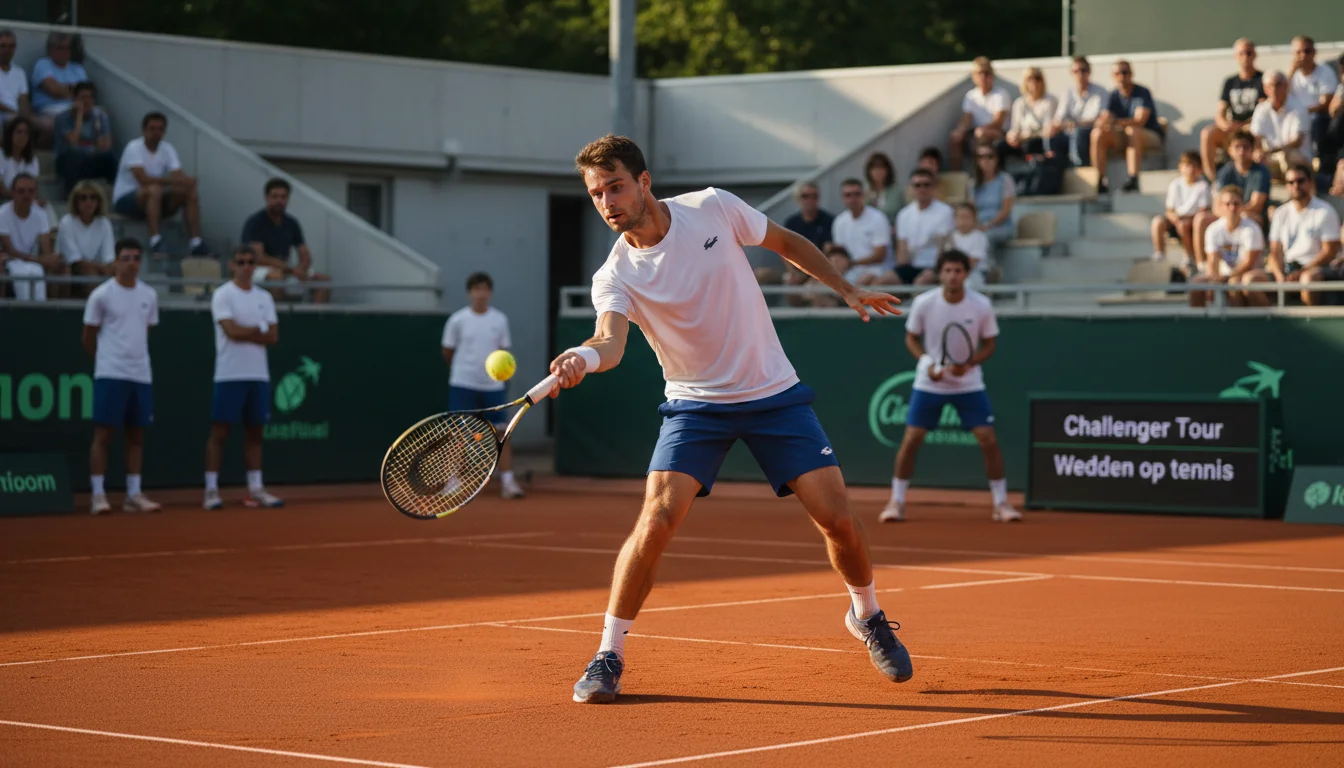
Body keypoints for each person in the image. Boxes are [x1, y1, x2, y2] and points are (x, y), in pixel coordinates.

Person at [557, 134, 907, 705]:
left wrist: (844, 287)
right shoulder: (615, 274)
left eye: (615, 186)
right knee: (657, 520)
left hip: (774, 391)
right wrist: (584, 358)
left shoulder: (712, 207)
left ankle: (866, 613)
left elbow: (786, 241)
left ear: (643, 182)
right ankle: (608, 654)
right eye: (597, 194)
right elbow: (609, 342)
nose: (607, 202)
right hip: (696, 405)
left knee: (837, 519)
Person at [880, 249, 1020, 524]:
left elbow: (990, 344)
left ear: (966, 274)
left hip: (968, 383)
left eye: (958, 271)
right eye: (947, 270)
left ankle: (1001, 503)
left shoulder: (981, 305)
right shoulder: (923, 302)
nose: (952, 276)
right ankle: (896, 501)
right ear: (939, 273)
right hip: (929, 383)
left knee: (988, 438)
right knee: (912, 439)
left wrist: (969, 363)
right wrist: (927, 363)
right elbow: (912, 338)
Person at [82, 237, 162, 515]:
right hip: (110, 373)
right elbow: (88, 337)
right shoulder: (101, 295)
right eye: (125, 258)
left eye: (136, 258)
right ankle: (98, 494)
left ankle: (133, 494)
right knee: (103, 434)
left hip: (141, 375)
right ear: (116, 261)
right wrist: (107, 362)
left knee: (136, 436)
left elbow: (145, 332)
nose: (131, 264)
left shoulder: (149, 295)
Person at [203, 246, 284, 510]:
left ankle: (255, 489)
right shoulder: (222, 295)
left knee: (255, 434)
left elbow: (273, 337)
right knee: (220, 433)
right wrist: (259, 328)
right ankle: (211, 490)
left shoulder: (265, 297)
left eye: (251, 262)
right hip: (229, 375)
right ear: (232, 265)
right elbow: (231, 331)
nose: (246, 266)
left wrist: (251, 331)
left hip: (258, 375)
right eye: (241, 262)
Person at [441, 271, 524, 499]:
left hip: (493, 386)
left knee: (502, 433)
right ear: (470, 292)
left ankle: (508, 482)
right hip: (463, 383)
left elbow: (504, 352)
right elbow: (447, 351)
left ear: (490, 292)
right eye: (476, 289)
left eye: (485, 289)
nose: (481, 293)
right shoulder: (457, 320)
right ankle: (453, 481)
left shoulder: (499, 320)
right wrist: (465, 371)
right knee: (458, 434)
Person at [112, 111, 208, 256]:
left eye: (160, 129)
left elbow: (178, 175)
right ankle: (155, 240)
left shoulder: (167, 148)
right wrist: (174, 181)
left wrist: (186, 182)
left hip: (153, 199)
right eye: (152, 129)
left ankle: (196, 242)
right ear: (144, 130)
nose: (156, 132)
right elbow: (143, 180)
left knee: (189, 191)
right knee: (154, 190)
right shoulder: (133, 147)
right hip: (126, 199)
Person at [242, 177, 331, 303]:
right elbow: (258, 257)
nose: (279, 201)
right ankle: (276, 320)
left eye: (283, 197)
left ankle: (318, 319)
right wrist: (290, 269)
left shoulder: (292, 223)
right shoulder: (255, 222)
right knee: (277, 278)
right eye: (275, 196)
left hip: (286, 269)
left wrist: (302, 268)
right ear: (266, 198)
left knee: (323, 280)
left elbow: (304, 252)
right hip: (258, 270)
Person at [1267, 164, 1341, 307]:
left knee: (1307, 279)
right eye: (1291, 182)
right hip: (1288, 269)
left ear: (1310, 182)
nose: (1296, 185)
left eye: (1300, 181)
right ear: (1286, 186)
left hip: (1318, 268)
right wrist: (1280, 276)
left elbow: (1329, 252)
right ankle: (1270, 325)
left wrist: (1302, 271)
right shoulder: (1280, 213)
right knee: (1250, 281)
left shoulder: (1324, 211)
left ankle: (1309, 323)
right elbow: (1275, 251)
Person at [1091, 59, 1164, 194]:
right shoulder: (1113, 96)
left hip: (1150, 136)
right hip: (1124, 136)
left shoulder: (1142, 92)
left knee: (1132, 131)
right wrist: (1104, 123)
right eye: (1117, 73)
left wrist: (1114, 122)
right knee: (1097, 134)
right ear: (1113, 76)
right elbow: (1105, 117)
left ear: (1131, 74)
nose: (1122, 76)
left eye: (1125, 72)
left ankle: (1133, 178)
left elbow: (1139, 121)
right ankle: (1099, 180)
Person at [1199, 38, 1264, 181]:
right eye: (1242, 53)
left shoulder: (1262, 80)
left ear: (1254, 55)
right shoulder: (1230, 82)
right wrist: (1225, 124)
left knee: (1256, 131)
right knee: (1207, 133)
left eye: (1249, 53)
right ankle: (1212, 179)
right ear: (1236, 56)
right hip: (1233, 128)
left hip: (1252, 127)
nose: (1245, 57)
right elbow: (1221, 111)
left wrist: (1245, 125)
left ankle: (1255, 176)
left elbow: (1263, 110)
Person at [1192, 185, 1267, 309]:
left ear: (1242, 206)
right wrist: (1214, 279)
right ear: (1221, 207)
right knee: (1196, 284)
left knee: (1234, 284)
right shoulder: (1213, 229)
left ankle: (1237, 324)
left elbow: (1248, 263)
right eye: (1228, 204)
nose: (1232, 208)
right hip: (1225, 275)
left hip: (1247, 274)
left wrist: (1226, 277)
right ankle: (1197, 325)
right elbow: (1213, 260)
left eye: (1236, 204)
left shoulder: (1252, 228)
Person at [0, 173, 61, 301]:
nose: (26, 195)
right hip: (11, 260)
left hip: (32, 261)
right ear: (13, 193)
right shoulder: (3, 214)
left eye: (30, 191)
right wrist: (39, 260)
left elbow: (46, 249)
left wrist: (49, 258)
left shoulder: (41, 214)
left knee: (37, 272)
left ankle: (39, 311)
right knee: (22, 274)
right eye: (21, 191)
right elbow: (9, 250)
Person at [53, 81, 116, 196]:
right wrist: (79, 116)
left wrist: (97, 131)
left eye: (90, 97)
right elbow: (73, 142)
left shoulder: (100, 116)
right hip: (67, 161)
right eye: (83, 97)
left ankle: (114, 193)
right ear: (75, 99)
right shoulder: (62, 118)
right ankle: (70, 195)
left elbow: (106, 145)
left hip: (91, 158)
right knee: (74, 156)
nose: (87, 101)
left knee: (110, 157)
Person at [1151, 151, 1211, 270]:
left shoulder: (1203, 186)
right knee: (1157, 222)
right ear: (1180, 168)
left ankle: (1189, 257)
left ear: (1200, 169)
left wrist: (1184, 220)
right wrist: (1175, 218)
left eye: (1194, 166)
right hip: (1177, 220)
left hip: (1192, 221)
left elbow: (1203, 210)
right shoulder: (1175, 184)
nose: (1190, 170)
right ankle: (1160, 254)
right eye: (1187, 165)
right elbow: (1169, 210)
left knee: (1183, 225)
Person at [894, 168, 955, 285]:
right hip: (910, 265)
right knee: (883, 281)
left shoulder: (945, 211)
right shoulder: (904, 214)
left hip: (933, 265)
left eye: (926, 185)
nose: (922, 189)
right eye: (917, 185)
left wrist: (937, 270)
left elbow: (943, 247)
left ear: (933, 187)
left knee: (920, 283)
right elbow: (902, 247)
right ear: (911, 188)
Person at [831, 177, 896, 285]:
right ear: (842, 198)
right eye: (848, 195)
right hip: (851, 271)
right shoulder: (839, 222)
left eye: (857, 194)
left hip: (878, 270)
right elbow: (841, 254)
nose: (853, 199)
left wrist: (851, 263)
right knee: (816, 287)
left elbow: (880, 256)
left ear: (864, 195)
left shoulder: (878, 218)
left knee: (860, 283)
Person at [58, 180, 116, 297]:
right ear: (76, 202)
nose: (88, 202)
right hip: (70, 270)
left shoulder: (104, 223)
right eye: (83, 198)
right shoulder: (67, 222)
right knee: (89, 273)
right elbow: (75, 260)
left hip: (98, 270)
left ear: (98, 201)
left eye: (93, 198)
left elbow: (108, 258)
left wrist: (107, 268)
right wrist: (100, 268)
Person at [1049, 56, 1107, 168]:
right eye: (1076, 71)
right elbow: (1059, 118)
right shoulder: (1068, 93)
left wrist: (1075, 124)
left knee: (1078, 133)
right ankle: (1055, 169)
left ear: (1089, 72)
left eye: (1083, 70)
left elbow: (1098, 118)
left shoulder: (1100, 92)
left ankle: (1079, 166)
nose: (1080, 74)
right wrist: (1055, 126)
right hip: (1069, 131)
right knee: (1051, 134)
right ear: (1072, 73)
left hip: (1088, 132)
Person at [947, 202, 991, 289]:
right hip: (954, 271)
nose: (963, 221)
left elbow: (972, 262)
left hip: (976, 272)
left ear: (974, 219)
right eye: (960, 217)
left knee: (966, 285)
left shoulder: (980, 237)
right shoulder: (951, 237)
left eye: (967, 217)